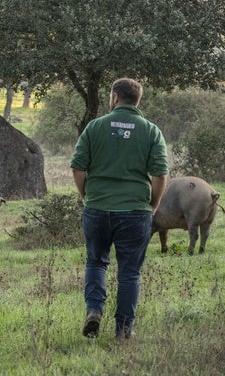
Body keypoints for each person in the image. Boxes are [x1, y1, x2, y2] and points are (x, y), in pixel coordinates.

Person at [70, 78, 168, 339]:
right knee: (129, 272)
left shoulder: (94, 127)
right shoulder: (150, 131)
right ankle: (124, 330)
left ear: (114, 98)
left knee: (95, 262)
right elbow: (160, 174)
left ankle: (93, 311)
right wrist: (154, 205)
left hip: (97, 208)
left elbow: (78, 167)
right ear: (138, 100)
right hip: (135, 211)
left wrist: (86, 195)